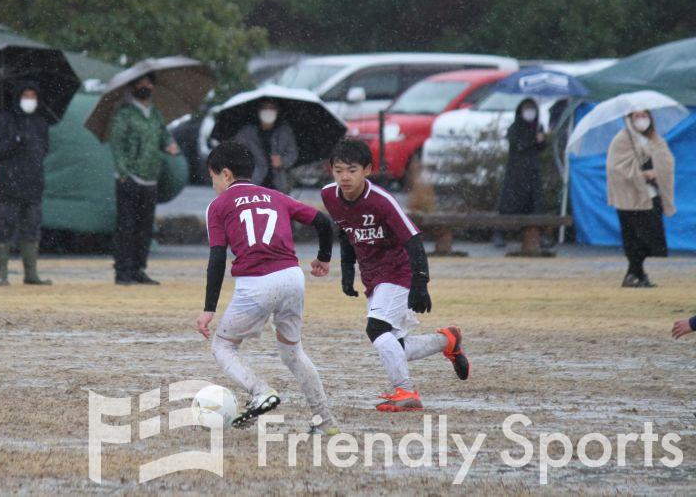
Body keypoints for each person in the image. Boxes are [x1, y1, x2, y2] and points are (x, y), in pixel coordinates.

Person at [195, 142, 339, 434]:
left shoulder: (218, 206)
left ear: (226, 174)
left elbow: (217, 258)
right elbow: (323, 221)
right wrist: (324, 257)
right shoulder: (275, 196)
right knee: (293, 353)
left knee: (223, 346)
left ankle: (260, 392)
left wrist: (209, 309)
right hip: (292, 277)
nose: (213, 185)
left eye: (213, 178)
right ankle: (326, 422)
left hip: (256, 283)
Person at [319, 139, 469, 412]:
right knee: (395, 345)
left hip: (398, 271)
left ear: (367, 170)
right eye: (338, 170)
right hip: (373, 276)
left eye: (352, 170)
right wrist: (347, 271)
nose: (344, 177)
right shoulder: (329, 195)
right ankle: (447, 340)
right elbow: (345, 231)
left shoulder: (381, 201)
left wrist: (420, 281)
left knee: (376, 329)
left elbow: (413, 239)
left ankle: (406, 391)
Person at [109, 73, 179, 285]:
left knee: (145, 227)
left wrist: (170, 144)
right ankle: (123, 270)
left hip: (150, 178)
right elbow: (117, 145)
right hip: (130, 178)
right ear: (132, 87)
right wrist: (123, 173)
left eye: (148, 83)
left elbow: (163, 135)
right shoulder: (125, 114)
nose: (145, 87)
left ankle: (138, 268)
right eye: (141, 83)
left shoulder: (155, 114)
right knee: (126, 226)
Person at [0, 82, 52, 286]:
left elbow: (44, 148)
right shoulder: (4, 119)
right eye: (26, 96)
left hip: (33, 184)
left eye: (33, 96)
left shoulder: (40, 122)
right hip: (8, 184)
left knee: (32, 228)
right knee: (5, 226)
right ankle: (2, 274)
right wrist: (13, 142)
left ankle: (31, 274)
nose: (30, 100)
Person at [607, 110, 675, 288]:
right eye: (637, 116)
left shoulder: (655, 139)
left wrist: (657, 172)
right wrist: (640, 174)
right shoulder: (622, 139)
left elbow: (666, 161)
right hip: (630, 198)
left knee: (651, 237)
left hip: (651, 194)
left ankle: (636, 273)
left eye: (644, 115)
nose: (641, 120)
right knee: (634, 238)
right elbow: (616, 167)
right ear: (630, 119)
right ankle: (634, 273)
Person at [494, 98, 546, 247]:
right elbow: (518, 146)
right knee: (509, 203)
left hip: (533, 171)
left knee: (535, 203)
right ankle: (500, 233)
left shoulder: (538, 127)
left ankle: (538, 234)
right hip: (516, 172)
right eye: (526, 108)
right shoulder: (514, 128)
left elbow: (541, 148)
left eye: (532, 109)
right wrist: (534, 141)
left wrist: (541, 141)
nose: (530, 112)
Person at [230, 99, 299, 192]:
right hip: (254, 182)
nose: (268, 111)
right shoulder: (247, 132)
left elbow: (293, 153)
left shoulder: (284, 131)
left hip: (278, 183)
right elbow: (236, 152)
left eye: (271, 108)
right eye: (265, 108)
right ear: (259, 110)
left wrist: (282, 161)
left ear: (277, 111)